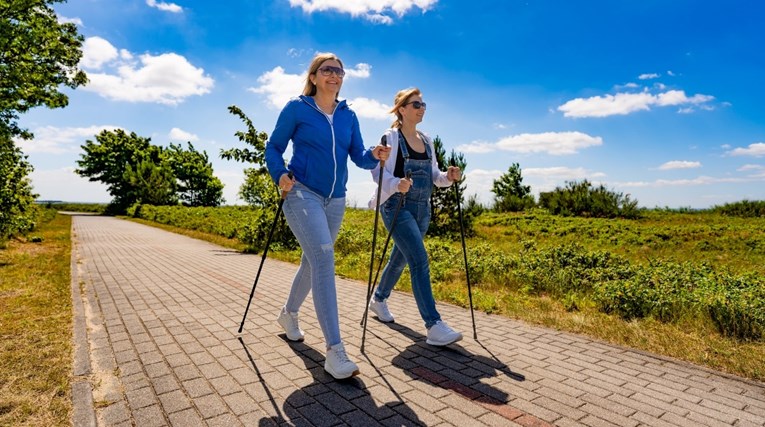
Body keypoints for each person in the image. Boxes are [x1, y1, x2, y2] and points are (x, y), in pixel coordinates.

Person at [265, 52, 391, 379]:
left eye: (339, 71)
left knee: (312, 261)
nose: (334, 75)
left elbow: (359, 157)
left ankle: (288, 314)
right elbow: (273, 147)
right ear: (314, 76)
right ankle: (335, 351)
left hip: (336, 199)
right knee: (323, 258)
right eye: (327, 70)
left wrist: (373, 155)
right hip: (301, 191)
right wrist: (279, 174)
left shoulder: (349, 115)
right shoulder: (298, 109)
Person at [367, 87, 463, 346]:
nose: (422, 108)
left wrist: (449, 177)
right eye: (416, 104)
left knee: (400, 259)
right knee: (420, 260)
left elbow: (435, 177)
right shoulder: (391, 138)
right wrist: (396, 183)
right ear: (401, 109)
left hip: (423, 210)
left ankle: (378, 299)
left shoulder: (427, 140)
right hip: (396, 207)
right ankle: (433, 325)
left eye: (423, 104)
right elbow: (378, 174)